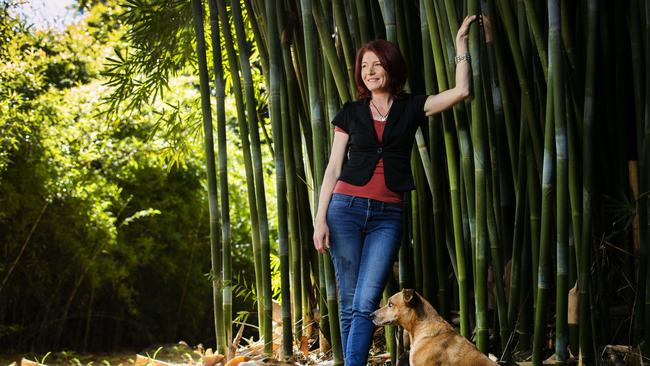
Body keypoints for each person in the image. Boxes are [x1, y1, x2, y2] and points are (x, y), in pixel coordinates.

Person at [312, 15, 478, 366]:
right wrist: (319, 220)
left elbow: (461, 92)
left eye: (377, 64)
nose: (370, 71)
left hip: (388, 215)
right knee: (350, 303)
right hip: (345, 210)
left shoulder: (411, 107)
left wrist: (461, 45)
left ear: (392, 68)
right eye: (364, 66)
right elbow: (332, 168)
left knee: (365, 298)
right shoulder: (351, 112)